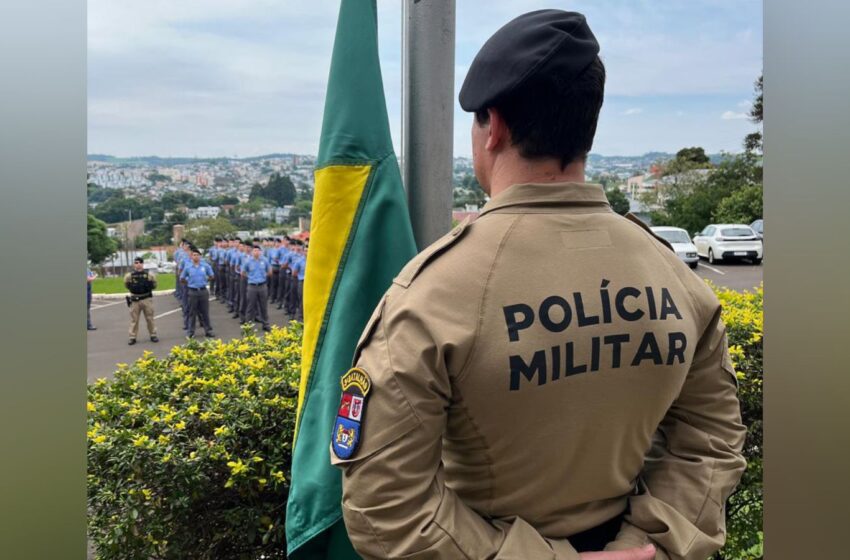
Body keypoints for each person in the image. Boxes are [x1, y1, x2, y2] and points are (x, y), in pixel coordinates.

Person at [331, 10, 746, 560]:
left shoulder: (433, 293)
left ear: (493, 126)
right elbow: (713, 441)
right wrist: (646, 546)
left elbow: (387, 510)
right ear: (586, 130)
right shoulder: (670, 271)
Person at [180, 245, 215, 339]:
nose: (196, 256)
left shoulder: (205, 266)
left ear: (200, 256)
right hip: (192, 292)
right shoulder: (188, 267)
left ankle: (208, 330)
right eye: (194, 255)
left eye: (197, 255)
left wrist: (206, 280)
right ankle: (191, 332)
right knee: (192, 312)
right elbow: (182, 278)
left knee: (205, 312)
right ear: (191, 256)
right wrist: (189, 283)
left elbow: (212, 275)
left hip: (203, 291)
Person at [123, 257, 159, 345]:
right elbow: (127, 285)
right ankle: (132, 337)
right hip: (135, 300)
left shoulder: (149, 275)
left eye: (139, 263)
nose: (138, 264)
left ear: (142, 264)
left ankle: (153, 335)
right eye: (136, 263)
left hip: (146, 299)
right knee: (134, 320)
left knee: (150, 318)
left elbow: (154, 285)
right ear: (134, 264)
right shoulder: (129, 276)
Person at [243, 244, 272, 331]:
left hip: (262, 286)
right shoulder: (248, 261)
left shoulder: (265, 260)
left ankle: (265, 324)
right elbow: (243, 272)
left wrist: (263, 276)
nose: (256, 252)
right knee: (250, 306)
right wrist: (251, 278)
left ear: (260, 252)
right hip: (252, 286)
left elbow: (270, 271)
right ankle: (248, 325)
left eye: (258, 250)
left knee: (263, 306)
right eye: (254, 250)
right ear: (252, 252)